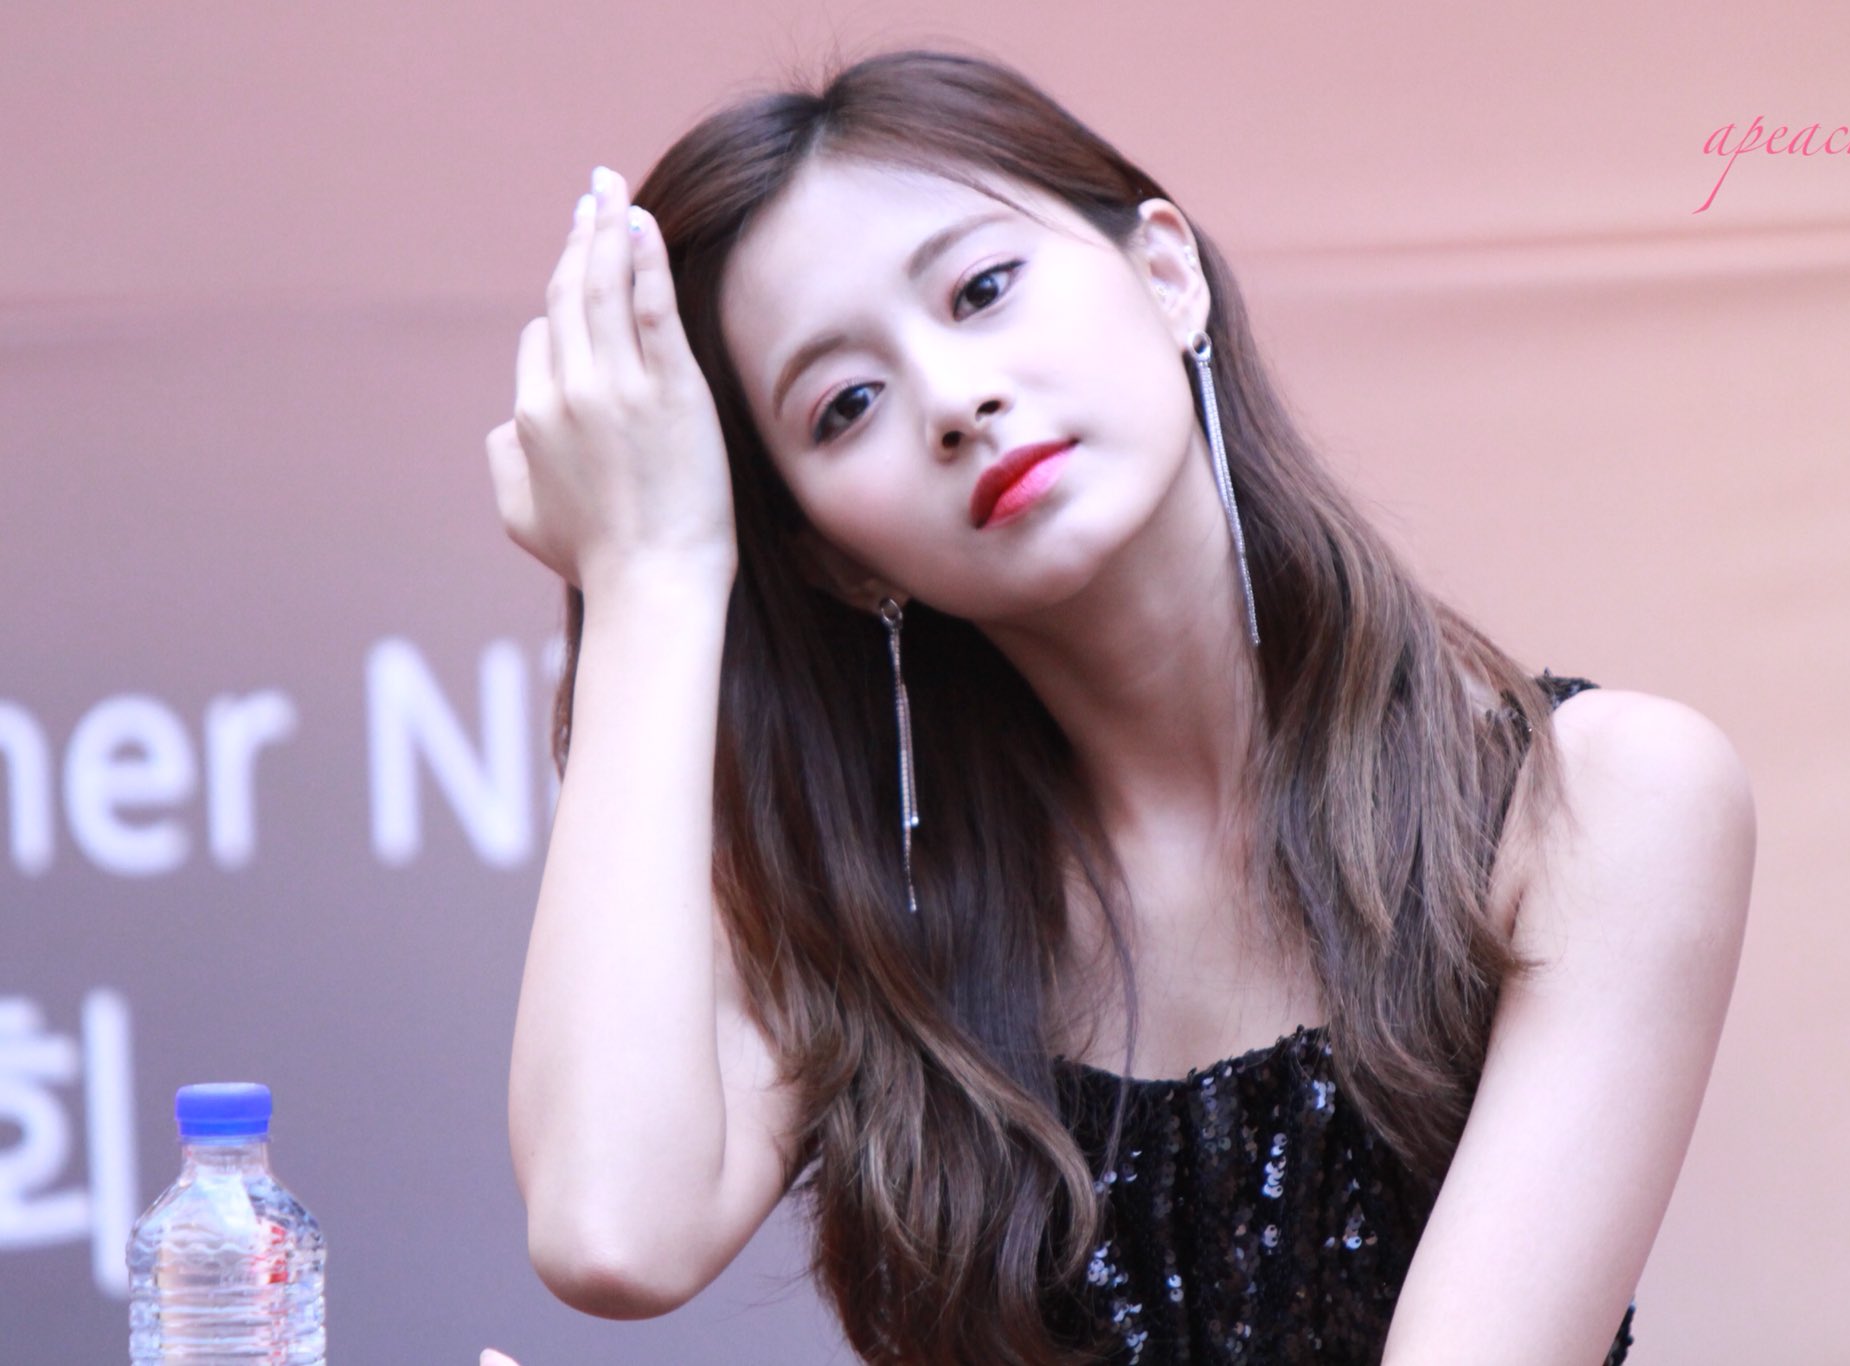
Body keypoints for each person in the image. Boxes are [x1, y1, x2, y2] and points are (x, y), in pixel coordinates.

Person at [479, 48, 1754, 1366]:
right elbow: (610, 1229)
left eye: (982, 289)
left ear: (1164, 270)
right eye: (845, 404)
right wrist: (649, 575)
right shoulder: (880, 913)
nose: (953, 399)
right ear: (831, 556)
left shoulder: (1592, 806)